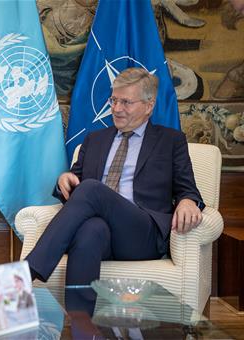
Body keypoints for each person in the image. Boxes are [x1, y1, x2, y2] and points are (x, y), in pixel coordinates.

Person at [26, 67, 204, 290]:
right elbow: (77, 183)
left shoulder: (171, 141)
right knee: (90, 232)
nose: (116, 109)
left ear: (149, 106)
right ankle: (81, 321)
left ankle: (25, 273)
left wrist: (187, 200)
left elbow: (188, 189)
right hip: (103, 232)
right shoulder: (95, 140)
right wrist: (66, 177)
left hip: (142, 234)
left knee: (92, 189)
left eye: (126, 102)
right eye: (113, 100)